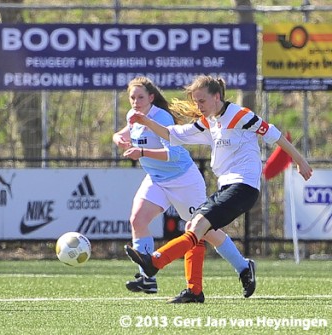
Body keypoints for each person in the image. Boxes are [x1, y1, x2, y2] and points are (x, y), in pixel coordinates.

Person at [124, 75, 313, 302]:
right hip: (226, 187)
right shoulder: (208, 122)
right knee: (196, 227)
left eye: (201, 101)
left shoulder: (240, 115)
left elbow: (275, 135)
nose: (198, 106)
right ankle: (195, 290)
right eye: (196, 101)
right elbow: (173, 135)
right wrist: (146, 122)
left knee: (197, 226)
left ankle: (155, 262)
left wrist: (300, 161)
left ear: (217, 97)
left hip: (244, 187)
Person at [114, 77, 258, 303]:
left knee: (204, 231)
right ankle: (147, 278)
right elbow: (125, 132)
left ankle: (243, 266)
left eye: (140, 97)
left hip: (183, 180)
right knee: (137, 219)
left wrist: (140, 153)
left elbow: (173, 154)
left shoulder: (161, 117)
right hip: (156, 179)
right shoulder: (133, 117)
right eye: (132, 97)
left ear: (151, 98)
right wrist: (118, 138)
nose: (135, 101)